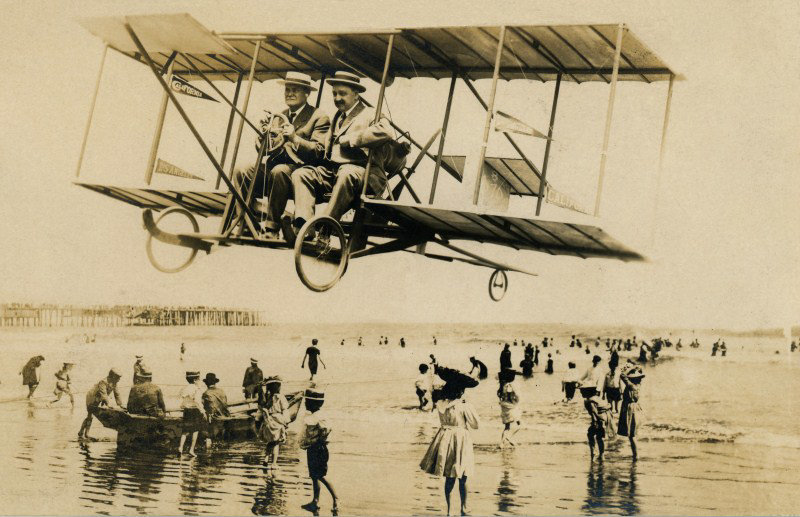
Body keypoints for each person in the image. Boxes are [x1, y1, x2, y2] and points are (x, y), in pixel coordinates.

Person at [287, 71, 396, 240]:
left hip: (366, 175)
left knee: (346, 172)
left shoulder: (370, 113)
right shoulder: (337, 117)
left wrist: (352, 139)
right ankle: (304, 227)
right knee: (301, 174)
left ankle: (326, 227)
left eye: (343, 94)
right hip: (335, 172)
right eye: (334, 94)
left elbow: (387, 131)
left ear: (356, 94)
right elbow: (324, 151)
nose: (337, 98)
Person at [231, 71, 330, 239]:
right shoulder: (279, 116)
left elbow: (319, 152)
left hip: (301, 173)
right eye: (287, 89)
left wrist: (294, 138)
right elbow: (269, 150)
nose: (290, 93)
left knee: (280, 170)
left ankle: (272, 228)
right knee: (242, 169)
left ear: (307, 93)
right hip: (277, 169)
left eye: (295, 90)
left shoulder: (319, 117)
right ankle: (246, 221)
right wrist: (262, 137)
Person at [420, 366, 480, 516]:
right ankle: (464, 507)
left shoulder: (441, 404)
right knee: (463, 476)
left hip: (445, 438)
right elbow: (476, 424)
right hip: (460, 439)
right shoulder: (464, 406)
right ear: (461, 391)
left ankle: (448, 510)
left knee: (449, 476)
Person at [299, 388, 338, 513]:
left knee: (320, 475)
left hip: (318, 449)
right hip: (313, 449)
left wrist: (319, 440)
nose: (305, 404)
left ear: (314, 404)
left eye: (307, 402)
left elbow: (325, 430)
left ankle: (336, 498)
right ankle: (315, 501)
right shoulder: (314, 416)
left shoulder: (318, 417)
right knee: (314, 476)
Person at [255, 376, 299, 468]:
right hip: (277, 422)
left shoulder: (265, 398)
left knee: (270, 441)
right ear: (278, 387)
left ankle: (266, 458)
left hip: (267, 421)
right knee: (276, 444)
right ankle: (274, 463)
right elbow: (285, 410)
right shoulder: (280, 397)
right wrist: (286, 422)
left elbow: (259, 411)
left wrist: (258, 421)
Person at [78, 368, 123, 440]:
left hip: (98, 398)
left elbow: (117, 394)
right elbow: (104, 394)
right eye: (118, 377)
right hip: (91, 397)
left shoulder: (114, 383)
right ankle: (85, 434)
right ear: (113, 376)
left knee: (90, 415)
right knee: (90, 414)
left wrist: (120, 405)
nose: (119, 379)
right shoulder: (103, 382)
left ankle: (81, 432)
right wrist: (108, 404)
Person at [618, 366, 645, 460]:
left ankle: (636, 455)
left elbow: (622, 376)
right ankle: (635, 454)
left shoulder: (631, 386)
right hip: (635, 408)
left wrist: (629, 368)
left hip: (630, 409)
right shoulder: (638, 385)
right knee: (632, 434)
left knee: (631, 434)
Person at [178, 371, 206, 456]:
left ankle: (180, 448)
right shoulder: (196, 389)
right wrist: (203, 411)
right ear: (194, 380)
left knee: (185, 431)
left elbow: (181, 400)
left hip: (187, 411)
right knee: (195, 430)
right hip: (195, 411)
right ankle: (191, 450)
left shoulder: (184, 389)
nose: (199, 381)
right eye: (198, 379)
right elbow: (197, 402)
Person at [202, 372, 229, 446]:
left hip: (214, 417)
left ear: (206, 383)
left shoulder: (206, 393)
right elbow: (225, 403)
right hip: (224, 416)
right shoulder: (221, 391)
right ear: (215, 382)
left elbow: (204, 406)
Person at [586, 394, 615, 460]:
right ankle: (601, 455)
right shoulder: (597, 398)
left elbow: (593, 412)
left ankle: (593, 453)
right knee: (599, 437)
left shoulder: (590, 400)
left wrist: (595, 422)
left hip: (600, 419)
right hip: (605, 417)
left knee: (590, 434)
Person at [499, 369, 521, 448]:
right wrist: (517, 400)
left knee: (507, 427)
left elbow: (500, 396)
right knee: (520, 424)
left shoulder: (502, 385)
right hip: (511, 406)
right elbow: (516, 395)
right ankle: (509, 437)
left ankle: (501, 443)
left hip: (504, 407)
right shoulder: (510, 385)